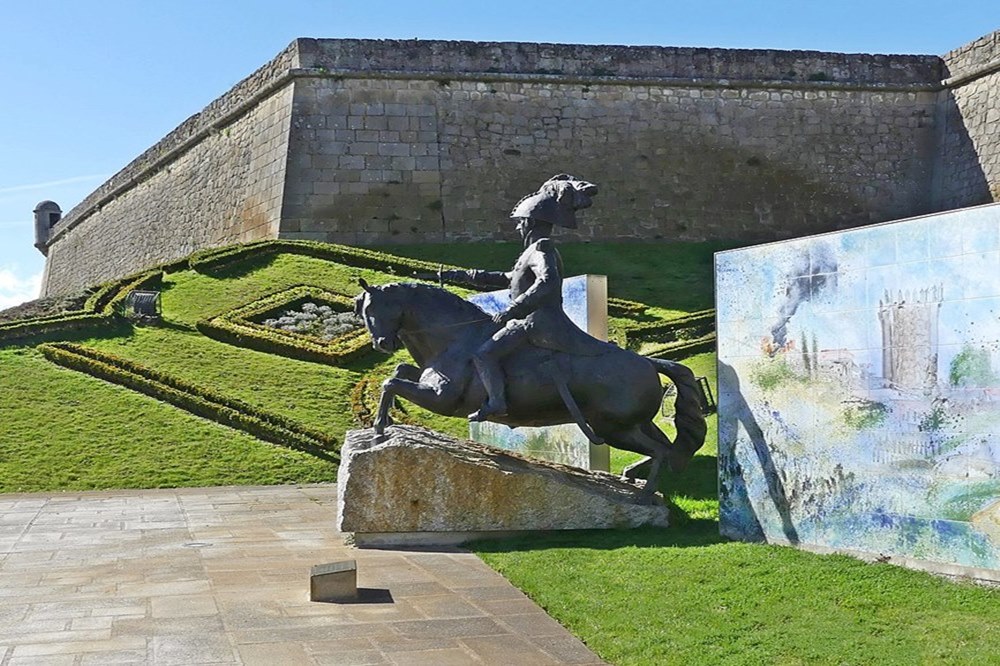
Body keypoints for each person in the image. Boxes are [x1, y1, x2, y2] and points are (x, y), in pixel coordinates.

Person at [440, 174, 601, 421]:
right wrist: (463, 276)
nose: (518, 227)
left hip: (537, 323)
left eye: (521, 222)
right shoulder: (530, 252)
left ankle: (496, 402)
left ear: (531, 222)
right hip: (528, 321)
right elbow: (509, 278)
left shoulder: (541, 248)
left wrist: (512, 310)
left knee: (484, 354)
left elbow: (547, 283)